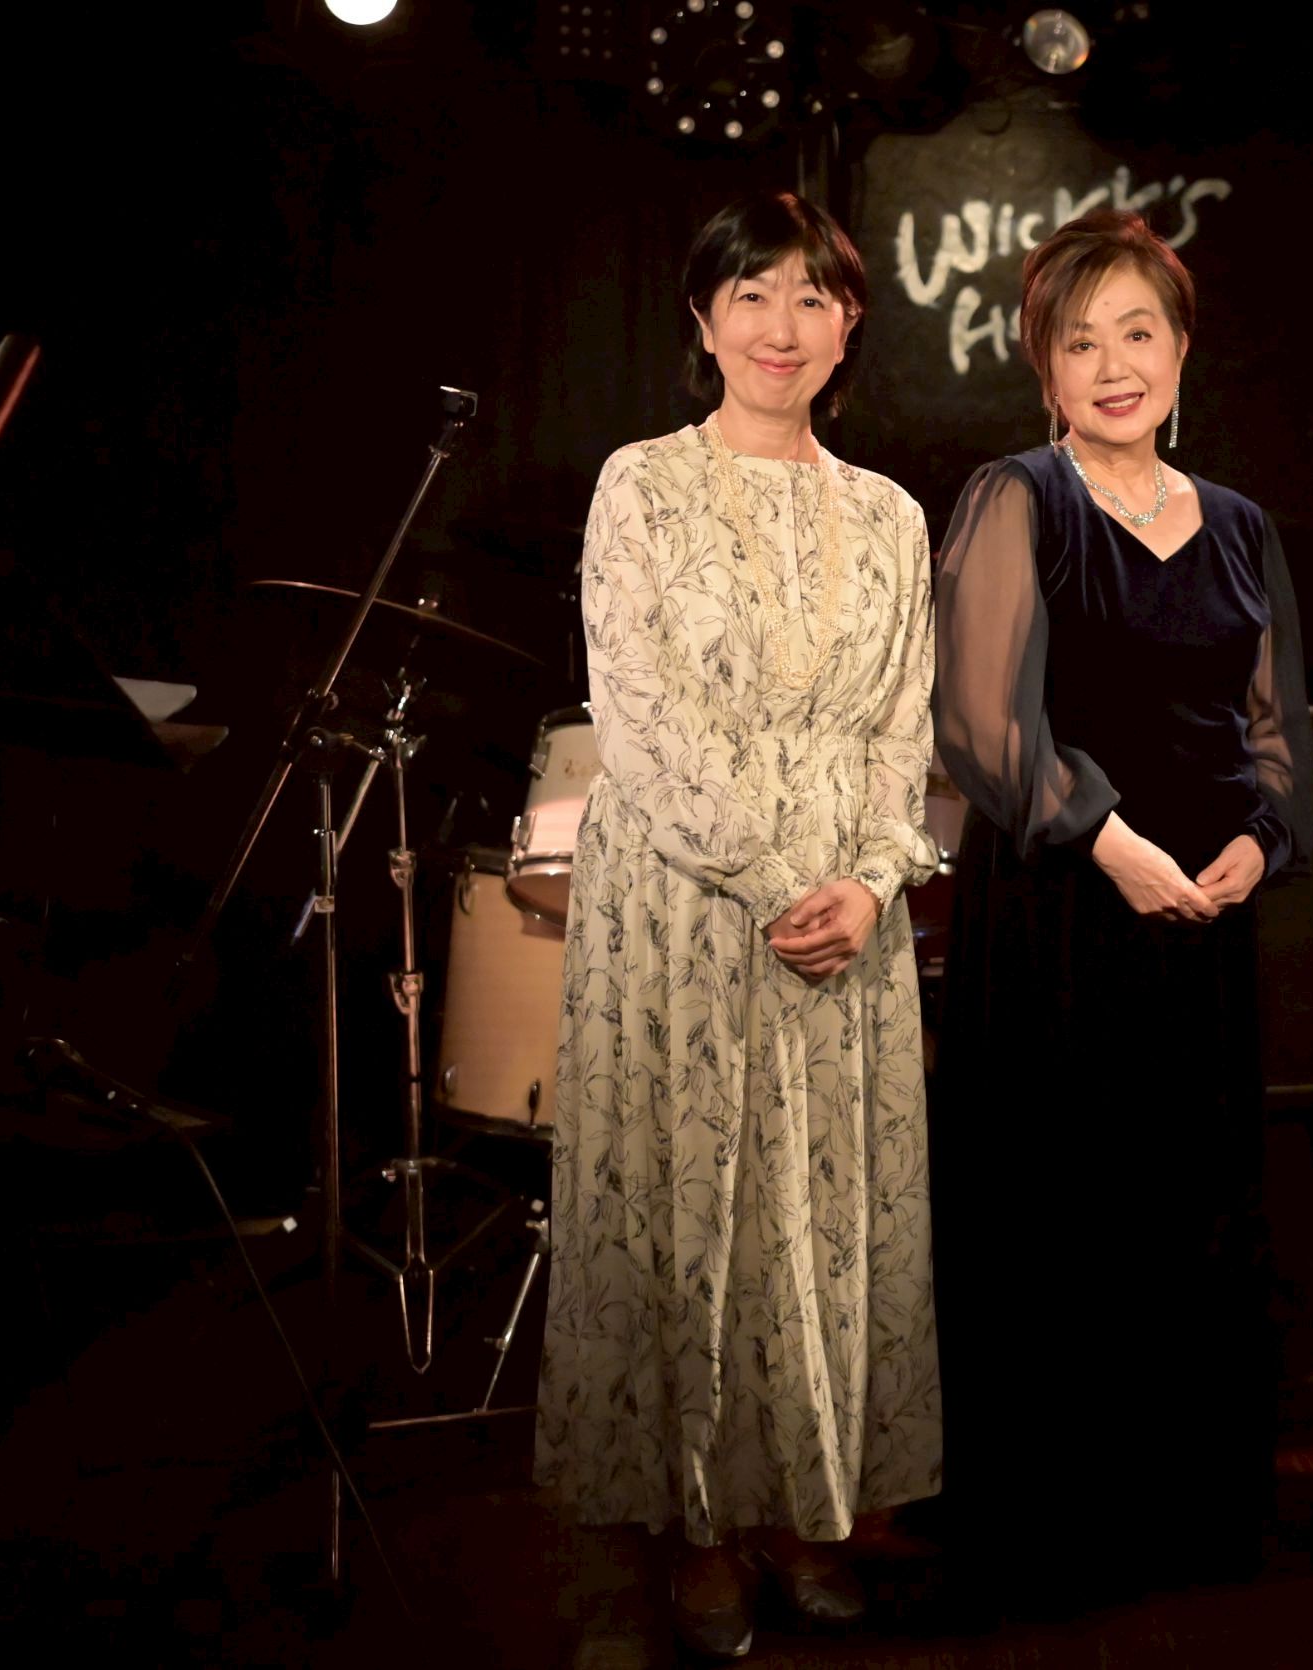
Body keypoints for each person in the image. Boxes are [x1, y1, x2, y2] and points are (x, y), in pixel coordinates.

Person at [535, 191, 942, 1660]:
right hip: (687, 908)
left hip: (846, 915)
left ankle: (810, 1513)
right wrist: (776, 881)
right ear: (703, 319)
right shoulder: (641, 485)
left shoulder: (890, 513)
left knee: (821, 1226)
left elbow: (904, 730)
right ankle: (700, 1535)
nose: (782, 325)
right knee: (695, 1215)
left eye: (812, 297)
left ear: (849, 326)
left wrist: (872, 881)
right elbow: (640, 723)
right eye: (752, 294)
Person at [928, 209, 1313, 1605]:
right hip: (1057, 916)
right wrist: (1108, 839)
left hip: (1199, 927)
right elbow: (980, 721)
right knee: (1056, 1218)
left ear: (1182, 349)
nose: (1112, 366)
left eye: (1136, 333)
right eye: (1079, 341)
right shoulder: (1015, 498)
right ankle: (1050, 1535)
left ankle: (1182, 1518)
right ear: (1043, 367)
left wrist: (1260, 841)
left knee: (1187, 1213)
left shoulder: (1241, 526)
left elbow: (1276, 732)